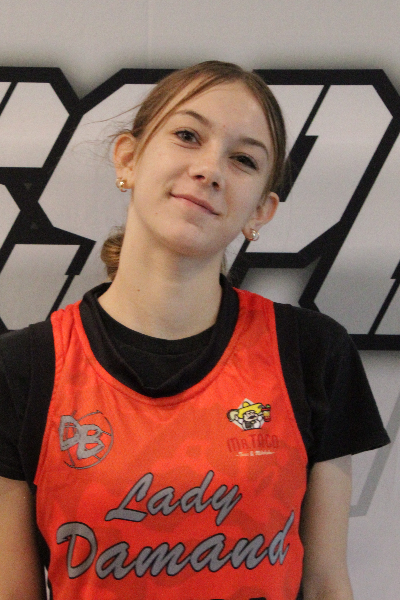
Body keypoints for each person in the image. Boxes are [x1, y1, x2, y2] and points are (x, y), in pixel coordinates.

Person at [0, 61, 390, 600]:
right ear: (129, 158)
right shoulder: (22, 368)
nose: (210, 169)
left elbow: (327, 585)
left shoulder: (311, 352)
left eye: (244, 159)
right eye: (187, 135)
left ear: (261, 211)